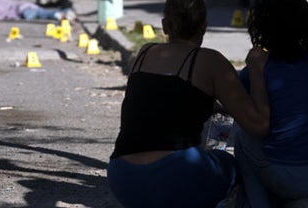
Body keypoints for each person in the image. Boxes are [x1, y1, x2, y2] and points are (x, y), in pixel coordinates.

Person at [107, 0, 270, 207]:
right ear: (204, 26)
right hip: (178, 175)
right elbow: (259, 125)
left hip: (122, 178)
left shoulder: (144, 53)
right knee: (232, 163)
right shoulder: (211, 61)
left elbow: (158, 103)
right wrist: (257, 69)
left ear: (165, 26)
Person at [234, 0, 308, 207]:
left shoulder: (259, 69)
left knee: (242, 137)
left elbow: (254, 119)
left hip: (291, 177)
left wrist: (255, 69)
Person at [0, 0, 76, 21]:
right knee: (42, 13)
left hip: (25, 10)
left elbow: (1, 11)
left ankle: (60, 14)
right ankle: (61, 14)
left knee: (41, 13)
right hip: (26, 11)